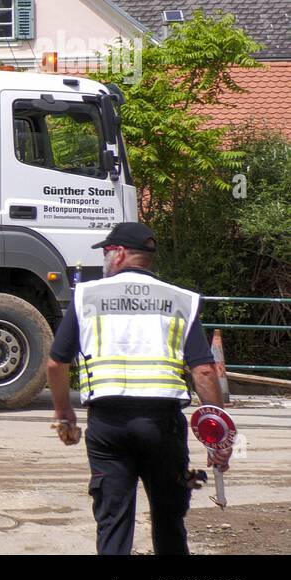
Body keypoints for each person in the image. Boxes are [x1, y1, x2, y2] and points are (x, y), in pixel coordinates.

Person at [46, 221, 232, 555]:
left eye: (105, 251)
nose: (104, 257)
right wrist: (217, 436)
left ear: (117, 254)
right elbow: (204, 371)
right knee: (170, 521)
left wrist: (65, 414)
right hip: (162, 427)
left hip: (108, 426)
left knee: (113, 520)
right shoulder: (180, 300)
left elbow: (55, 364)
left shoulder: (87, 296)